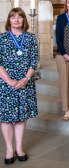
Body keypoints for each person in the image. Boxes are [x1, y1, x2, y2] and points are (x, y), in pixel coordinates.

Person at [0, 8, 38, 164]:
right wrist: (10, 81)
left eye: (20, 17)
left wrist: (26, 79)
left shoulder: (30, 38)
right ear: (9, 20)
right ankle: (9, 149)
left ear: (24, 20)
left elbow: (33, 60)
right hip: (6, 84)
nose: (16, 20)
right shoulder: (2, 39)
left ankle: (19, 148)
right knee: (7, 118)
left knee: (21, 117)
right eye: (13, 17)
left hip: (25, 84)